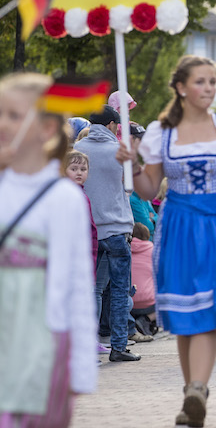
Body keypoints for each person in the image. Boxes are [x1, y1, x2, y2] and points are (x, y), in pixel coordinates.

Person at [116, 55, 216, 427]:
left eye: (212, 82)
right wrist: (133, 164)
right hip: (178, 226)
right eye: (200, 82)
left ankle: (198, 387)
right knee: (185, 314)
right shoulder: (160, 133)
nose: (208, 89)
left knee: (209, 309)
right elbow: (149, 188)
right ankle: (193, 393)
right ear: (182, 87)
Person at [0, 73, 96, 426]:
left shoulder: (63, 197)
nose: (3, 124)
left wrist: (81, 369)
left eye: (14, 115)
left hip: (45, 342)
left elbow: (76, 284)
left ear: (46, 129)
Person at [75, 105, 138, 362]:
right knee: (120, 290)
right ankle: (119, 347)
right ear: (112, 125)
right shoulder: (120, 151)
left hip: (88, 230)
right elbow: (130, 187)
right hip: (116, 229)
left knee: (93, 290)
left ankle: (88, 344)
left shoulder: (76, 151)